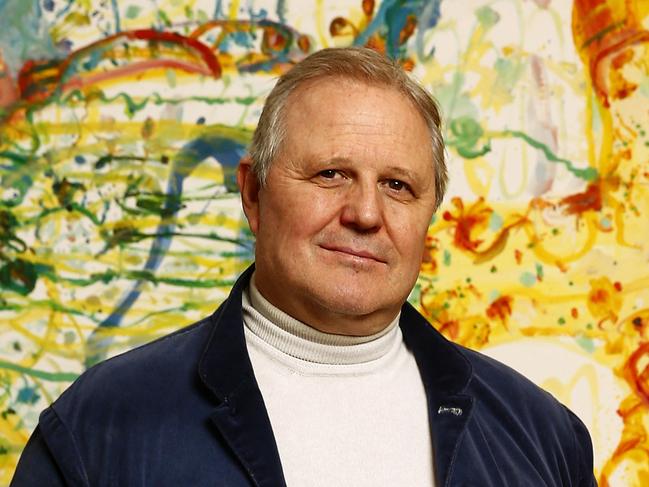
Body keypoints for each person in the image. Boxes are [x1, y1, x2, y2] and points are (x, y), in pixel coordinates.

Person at [11, 47, 596, 486]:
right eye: (331, 174)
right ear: (253, 194)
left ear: (429, 214)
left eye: (397, 185)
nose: (366, 213)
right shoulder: (102, 426)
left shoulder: (542, 436)